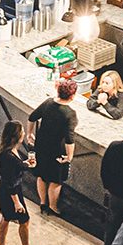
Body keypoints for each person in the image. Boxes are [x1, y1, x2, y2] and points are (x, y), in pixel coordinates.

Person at [25, 78, 78, 215]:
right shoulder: (70, 114)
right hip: (57, 149)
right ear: (72, 96)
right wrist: (70, 156)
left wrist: (29, 133)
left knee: (42, 175)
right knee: (55, 180)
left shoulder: (48, 103)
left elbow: (32, 117)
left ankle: (43, 203)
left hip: (41, 145)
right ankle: (53, 207)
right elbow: (69, 138)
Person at [0, 120, 39, 245]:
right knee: (24, 221)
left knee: (6, 217)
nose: (24, 133)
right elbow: (10, 180)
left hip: (10, 189)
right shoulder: (8, 156)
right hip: (10, 192)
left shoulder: (8, 150)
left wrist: (25, 164)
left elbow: (14, 168)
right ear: (16, 136)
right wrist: (17, 202)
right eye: (22, 132)